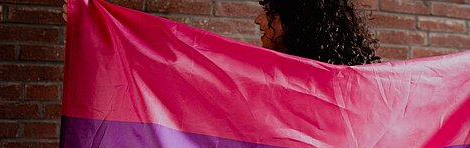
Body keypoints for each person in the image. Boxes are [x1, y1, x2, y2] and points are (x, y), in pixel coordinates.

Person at [62, 0, 380, 65]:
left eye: (271, 14)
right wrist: (99, 28)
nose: (258, 19)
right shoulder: (264, 76)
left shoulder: (357, 92)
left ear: (300, 24)